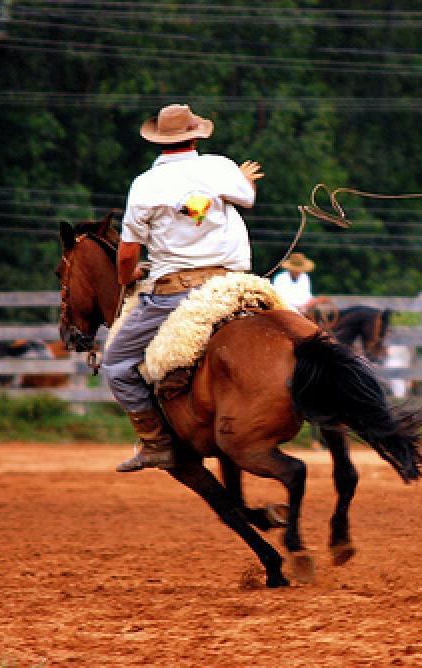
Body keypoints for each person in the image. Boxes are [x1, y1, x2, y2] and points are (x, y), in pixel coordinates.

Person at [101, 103, 263, 473]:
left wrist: (126, 279)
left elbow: (128, 253)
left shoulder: (144, 185)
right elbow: (247, 197)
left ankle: (156, 442)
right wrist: (243, 180)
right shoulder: (221, 168)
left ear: (158, 141)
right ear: (195, 135)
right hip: (232, 284)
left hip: (176, 291)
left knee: (116, 363)